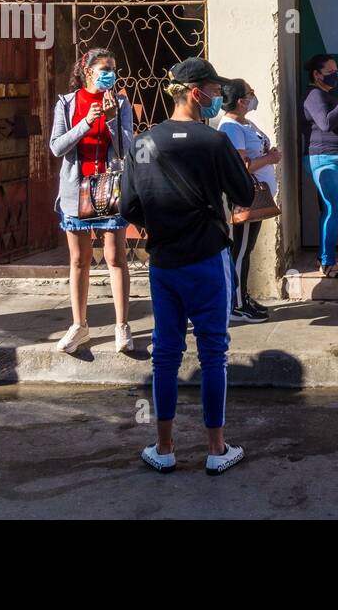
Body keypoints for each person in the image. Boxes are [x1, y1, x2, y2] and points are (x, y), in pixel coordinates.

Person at [120, 57, 255, 475]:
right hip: (208, 259)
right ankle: (217, 449)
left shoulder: (143, 142)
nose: (219, 97)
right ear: (196, 92)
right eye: (214, 91)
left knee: (165, 353)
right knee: (213, 352)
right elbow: (245, 195)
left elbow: (127, 206)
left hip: (164, 263)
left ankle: (164, 447)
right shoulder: (212, 142)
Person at [48, 48, 135, 353]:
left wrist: (111, 119)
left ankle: (122, 326)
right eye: (104, 68)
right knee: (79, 260)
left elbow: (127, 148)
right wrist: (86, 122)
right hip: (76, 188)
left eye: (112, 68)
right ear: (87, 71)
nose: (109, 73)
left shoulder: (121, 103)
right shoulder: (66, 103)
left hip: (108, 186)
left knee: (115, 257)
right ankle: (79, 325)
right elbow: (57, 147)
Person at [220, 78, 279, 324]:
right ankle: (236, 304)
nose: (254, 96)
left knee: (247, 249)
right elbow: (242, 165)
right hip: (245, 198)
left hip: (257, 198)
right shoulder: (231, 127)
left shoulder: (245, 122)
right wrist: (270, 159)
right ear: (241, 100)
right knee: (241, 251)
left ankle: (244, 295)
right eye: (250, 93)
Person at [302, 53, 338, 277]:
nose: (335, 75)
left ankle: (326, 256)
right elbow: (326, 124)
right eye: (330, 72)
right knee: (337, 209)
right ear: (316, 74)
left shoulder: (327, 95)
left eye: (336, 71)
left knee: (330, 209)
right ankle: (327, 264)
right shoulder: (314, 95)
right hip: (325, 160)